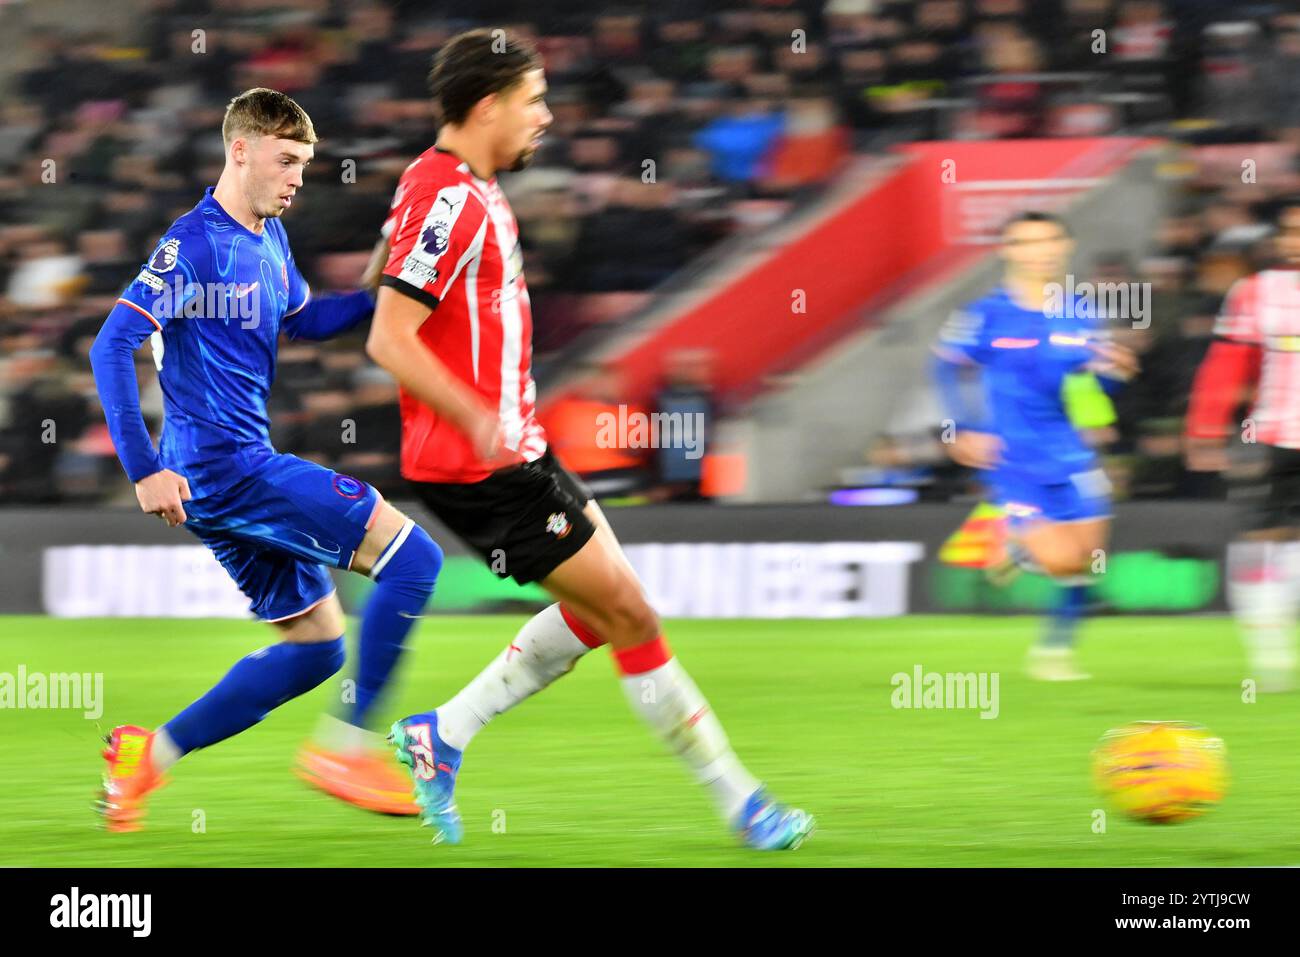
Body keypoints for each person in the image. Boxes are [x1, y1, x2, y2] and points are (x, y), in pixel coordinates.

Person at [361, 29, 813, 850]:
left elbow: (401, 290)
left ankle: (444, 733)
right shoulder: (453, 197)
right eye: (534, 100)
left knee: (603, 614)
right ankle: (741, 803)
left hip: (514, 451)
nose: (548, 116)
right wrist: (471, 412)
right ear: (488, 104)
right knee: (632, 613)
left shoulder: (453, 184)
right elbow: (391, 336)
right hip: (482, 464)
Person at [89, 88, 443, 830]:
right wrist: (143, 466)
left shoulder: (269, 238)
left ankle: (145, 758)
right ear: (239, 150)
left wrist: (382, 297)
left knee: (316, 648)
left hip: (229, 476)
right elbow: (112, 343)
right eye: (286, 161)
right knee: (415, 560)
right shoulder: (195, 243)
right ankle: (347, 747)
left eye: (305, 166)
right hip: (228, 468)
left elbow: (303, 320)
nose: (296, 179)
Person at [932, 211, 1139, 681]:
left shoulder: (1082, 312)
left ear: (1065, 246)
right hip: (1012, 458)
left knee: (1085, 559)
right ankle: (1011, 538)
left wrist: (1115, 377)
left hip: (1071, 452)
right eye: (1026, 242)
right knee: (1061, 560)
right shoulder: (984, 313)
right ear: (1008, 251)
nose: (1040, 250)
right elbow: (943, 369)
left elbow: (1094, 388)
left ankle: (1054, 653)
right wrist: (959, 427)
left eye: (1049, 240)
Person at [1185, 198, 1300, 692]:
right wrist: (1206, 428)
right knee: (1262, 540)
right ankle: (1269, 656)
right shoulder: (1256, 293)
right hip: (1272, 435)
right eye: (1290, 231)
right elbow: (1226, 364)